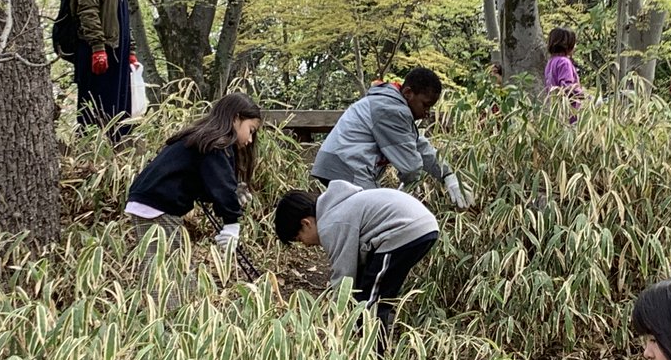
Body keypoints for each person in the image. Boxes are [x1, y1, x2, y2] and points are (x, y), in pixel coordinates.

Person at [126, 93, 261, 306]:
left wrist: (231, 197)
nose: (250, 139)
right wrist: (232, 224)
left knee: (173, 262)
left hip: (153, 203)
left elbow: (211, 184)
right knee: (162, 269)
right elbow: (222, 186)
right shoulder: (215, 144)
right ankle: (164, 322)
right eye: (251, 130)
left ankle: (179, 311)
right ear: (236, 118)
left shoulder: (202, 138)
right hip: (157, 206)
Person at [274, 181, 439, 344]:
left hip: (404, 232)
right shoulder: (338, 205)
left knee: (369, 304)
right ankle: (372, 346)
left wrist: (334, 324)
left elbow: (344, 278)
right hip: (420, 227)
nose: (305, 244)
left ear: (306, 223)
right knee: (373, 290)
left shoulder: (331, 224)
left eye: (299, 239)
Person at [311, 67, 473, 209]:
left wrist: (447, 175)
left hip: (340, 164)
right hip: (345, 166)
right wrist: (406, 188)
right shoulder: (391, 110)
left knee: (372, 216)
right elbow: (411, 167)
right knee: (376, 217)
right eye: (425, 105)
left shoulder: (393, 104)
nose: (426, 113)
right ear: (408, 93)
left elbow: (420, 146)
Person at [73, 0, 135, 138]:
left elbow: (119, 16)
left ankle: (113, 160)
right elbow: (87, 8)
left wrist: (131, 49)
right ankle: (90, 156)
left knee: (118, 113)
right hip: (98, 53)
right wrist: (98, 48)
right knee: (95, 112)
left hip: (116, 52)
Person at [544, 27, 583, 106]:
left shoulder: (551, 62)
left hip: (556, 108)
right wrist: (585, 95)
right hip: (569, 111)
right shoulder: (564, 62)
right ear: (568, 45)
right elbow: (567, 87)